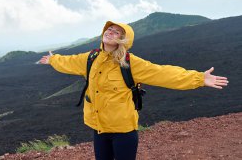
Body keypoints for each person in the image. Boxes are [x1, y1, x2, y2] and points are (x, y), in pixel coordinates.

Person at [38, 21, 228, 160]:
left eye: (117, 32)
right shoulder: (91, 57)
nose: (111, 32)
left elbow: (163, 73)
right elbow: (68, 62)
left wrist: (198, 78)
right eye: (109, 29)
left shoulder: (130, 63)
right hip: (98, 128)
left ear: (123, 40)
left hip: (123, 130)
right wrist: (53, 60)